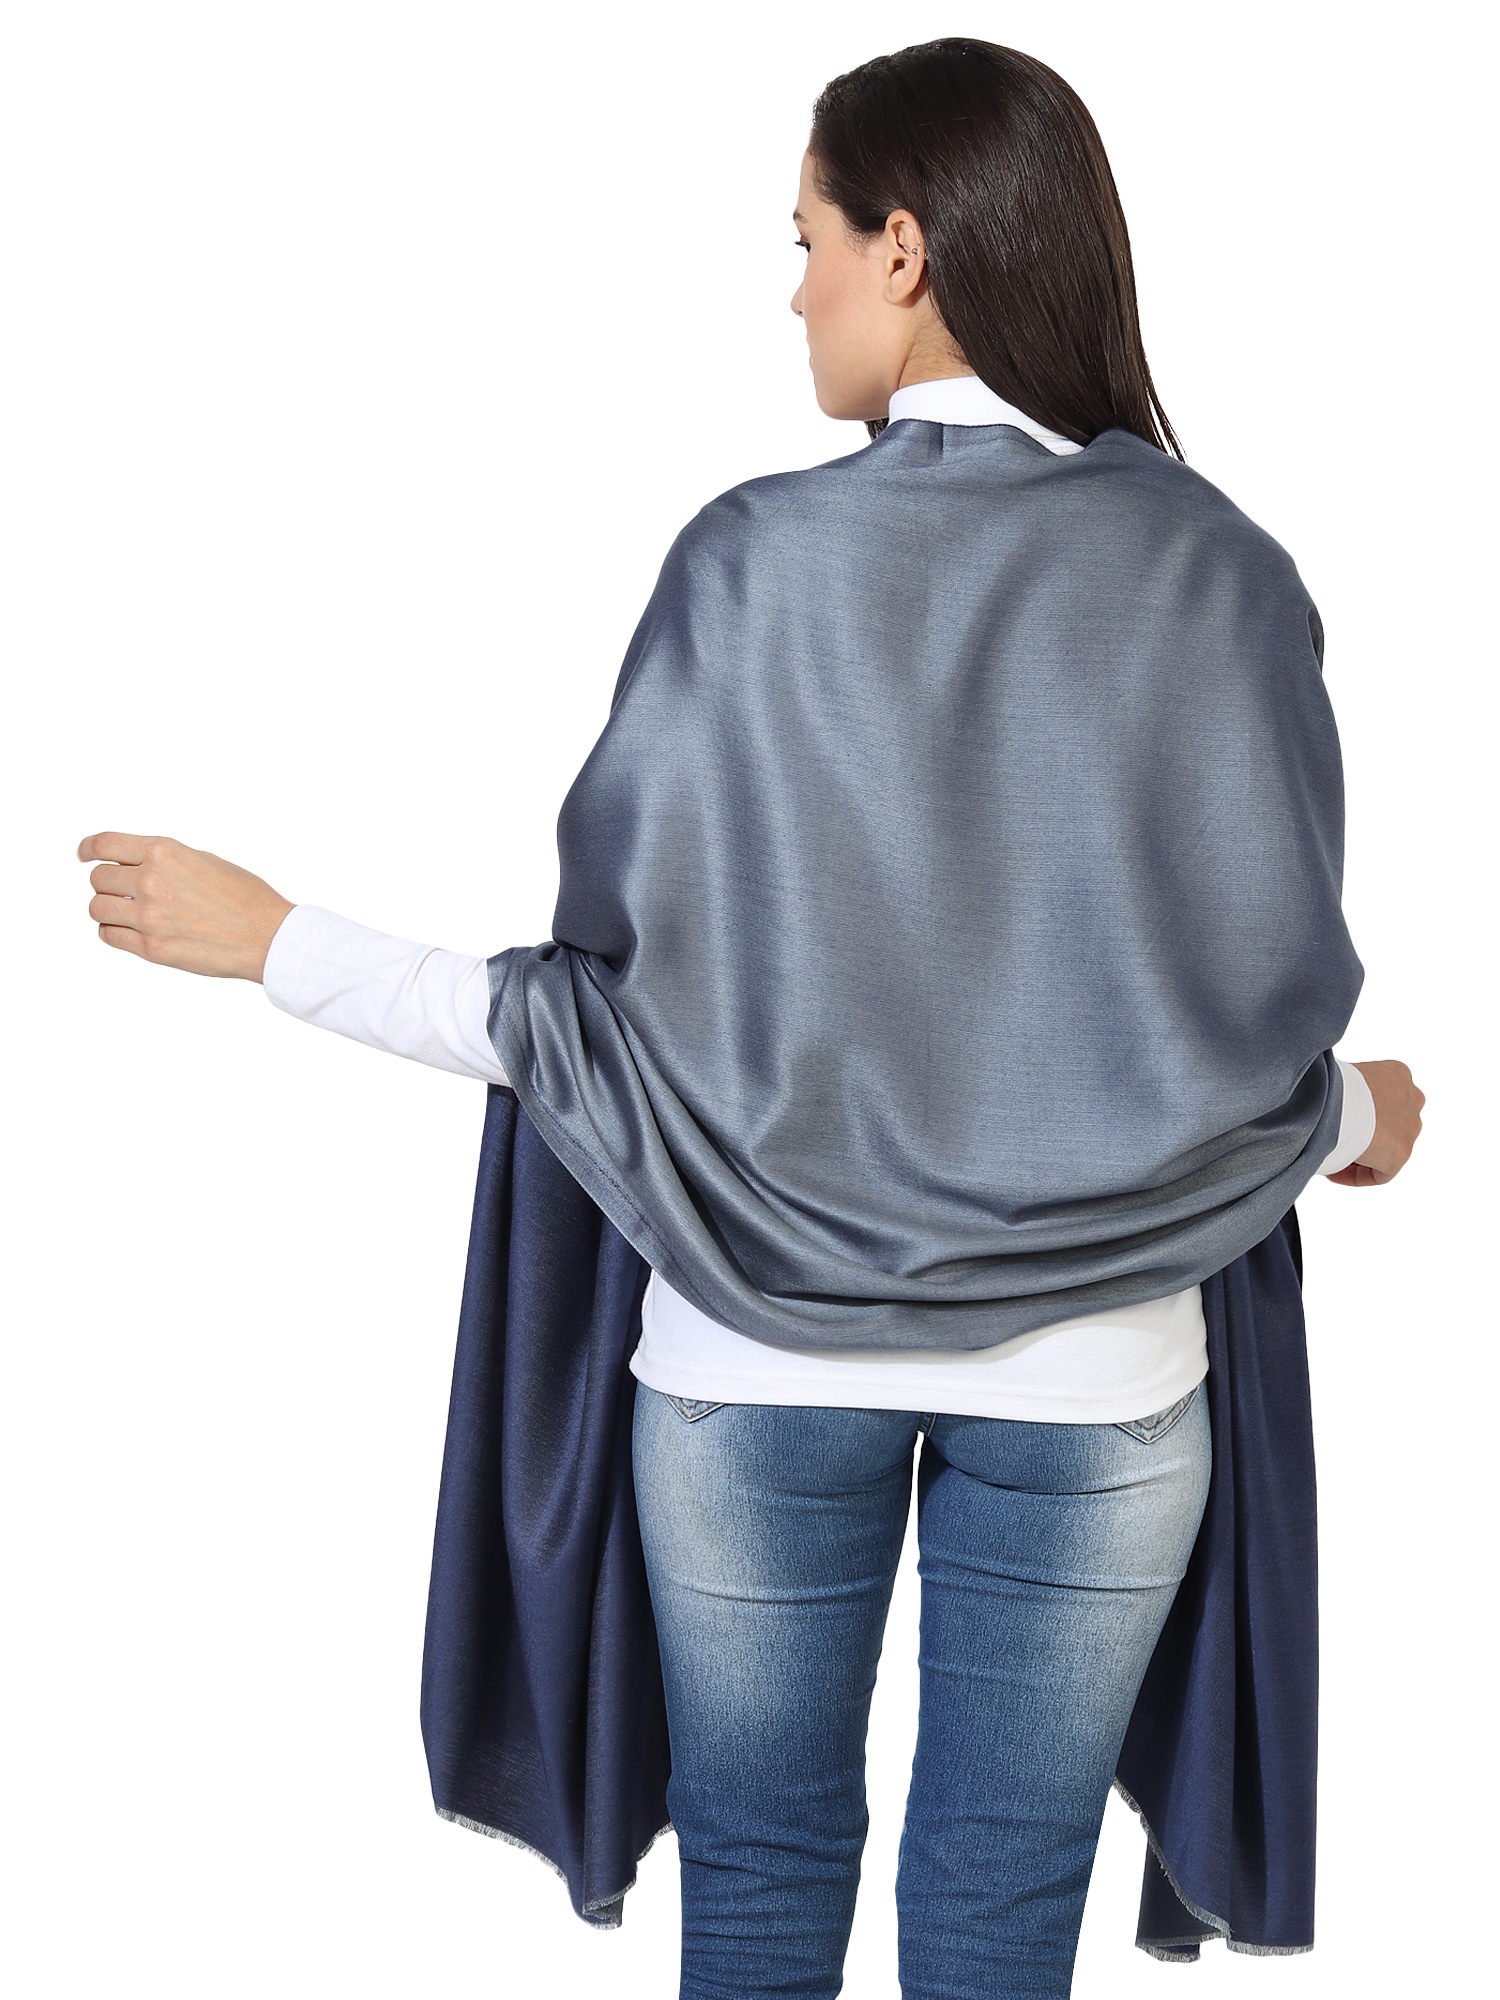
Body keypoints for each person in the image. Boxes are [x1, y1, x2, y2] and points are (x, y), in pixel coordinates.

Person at [77, 38, 1423, 2000]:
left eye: (803, 239)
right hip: (1102, 1382)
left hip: (749, 1363)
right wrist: (1355, 1118)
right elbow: (1238, 1032)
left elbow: (613, 1037)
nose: (791, 291)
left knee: (765, 1883)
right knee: (1003, 1909)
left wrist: (287, 943)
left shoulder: (751, 566)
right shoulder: (1224, 576)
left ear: (905, 248)